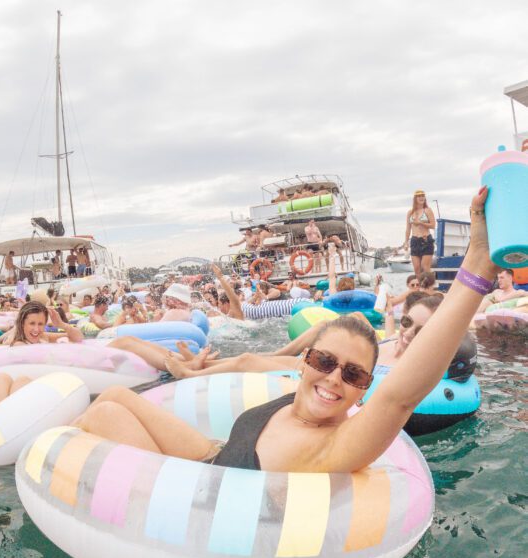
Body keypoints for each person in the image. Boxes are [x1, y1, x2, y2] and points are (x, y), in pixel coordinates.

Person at [72, 186, 495, 473]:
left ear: (365, 387)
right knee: (111, 395)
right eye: (325, 360)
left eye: (352, 373)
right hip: (212, 454)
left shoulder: (338, 442)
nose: (333, 378)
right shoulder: (295, 397)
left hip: (201, 488)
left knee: (105, 413)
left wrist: (477, 260)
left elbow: (402, 394)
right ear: (305, 360)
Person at [9, 301, 84, 345]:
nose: (36, 329)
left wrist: (62, 324)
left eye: (40, 324)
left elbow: (78, 338)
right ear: (22, 324)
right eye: (32, 323)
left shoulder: (43, 337)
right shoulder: (19, 345)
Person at [404, 190, 436, 276]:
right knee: (417, 268)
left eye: (423, 196)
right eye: (419, 196)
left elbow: (433, 225)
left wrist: (421, 223)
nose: (421, 197)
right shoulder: (410, 212)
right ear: (415, 198)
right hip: (414, 240)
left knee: (425, 267)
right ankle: (419, 288)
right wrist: (406, 242)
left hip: (426, 240)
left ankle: (428, 287)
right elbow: (408, 229)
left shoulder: (427, 210)